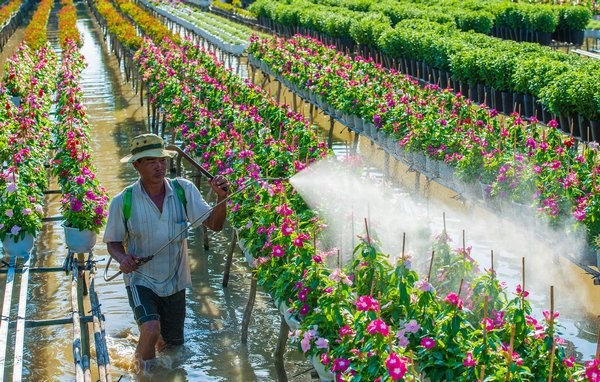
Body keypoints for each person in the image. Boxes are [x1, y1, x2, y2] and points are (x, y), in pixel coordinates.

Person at [103, 133, 229, 368]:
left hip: (175, 281)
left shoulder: (183, 191)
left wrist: (222, 199)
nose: (159, 166)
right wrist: (123, 258)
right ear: (136, 165)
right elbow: (113, 242)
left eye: (162, 160)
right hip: (141, 279)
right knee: (150, 329)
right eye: (150, 161)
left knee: (172, 346)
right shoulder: (123, 201)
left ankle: (153, 357)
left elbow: (215, 225)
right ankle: (144, 373)